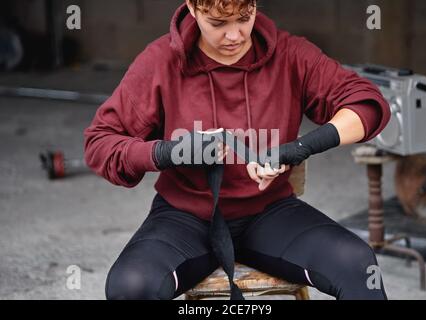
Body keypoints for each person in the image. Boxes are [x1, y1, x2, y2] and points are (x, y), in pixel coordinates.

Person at [84, 0, 391, 300]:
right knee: (131, 286)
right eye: (218, 23)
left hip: (270, 212)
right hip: (185, 216)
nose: (234, 35)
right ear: (191, 7)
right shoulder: (159, 61)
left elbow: (368, 105)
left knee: (356, 265)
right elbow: (100, 143)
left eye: (244, 18)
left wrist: (300, 147)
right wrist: (169, 151)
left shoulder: (291, 54)